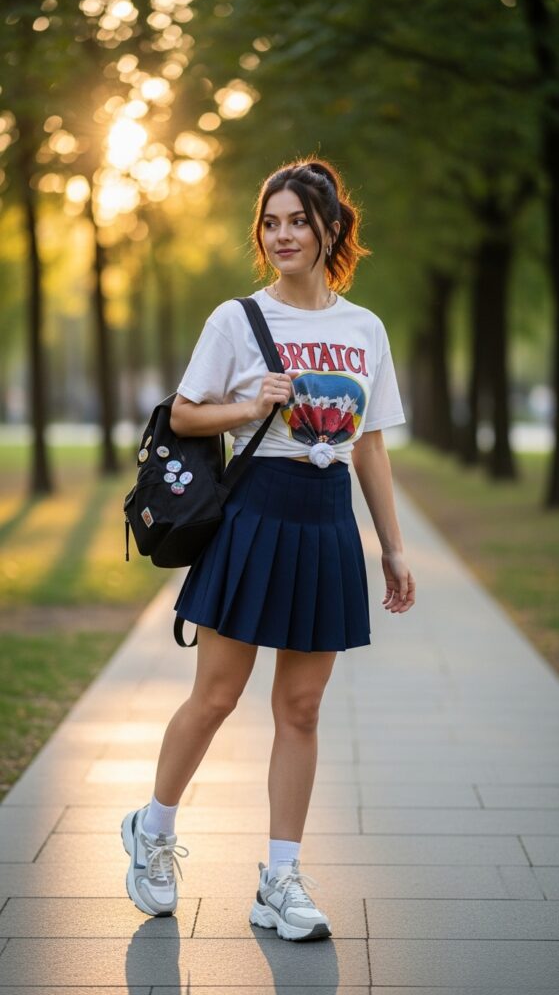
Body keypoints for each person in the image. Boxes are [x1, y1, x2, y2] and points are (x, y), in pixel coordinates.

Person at [121, 157, 416, 941]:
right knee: (215, 697)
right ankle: (151, 832)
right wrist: (250, 405)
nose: (281, 235)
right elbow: (181, 415)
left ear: (331, 230)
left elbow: (372, 447)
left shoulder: (364, 329)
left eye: (297, 221)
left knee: (302, 708)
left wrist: (391, 548)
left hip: (325, 523)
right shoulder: (236, 320)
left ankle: (278, 880)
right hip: (252, 519)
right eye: (271, 222)